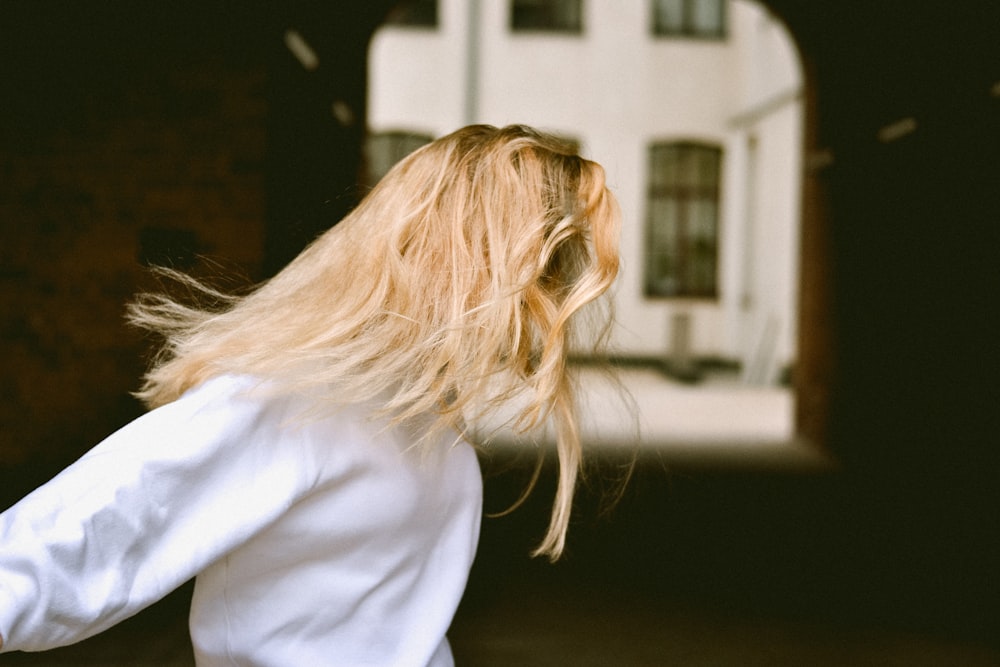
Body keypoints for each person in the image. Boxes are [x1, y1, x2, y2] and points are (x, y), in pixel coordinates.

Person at [0, 124, 621, 665]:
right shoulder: (283, 404)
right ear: (469, 262)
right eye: (543, 274)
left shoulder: (424, 415)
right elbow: (66, 548)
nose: (546, 309)